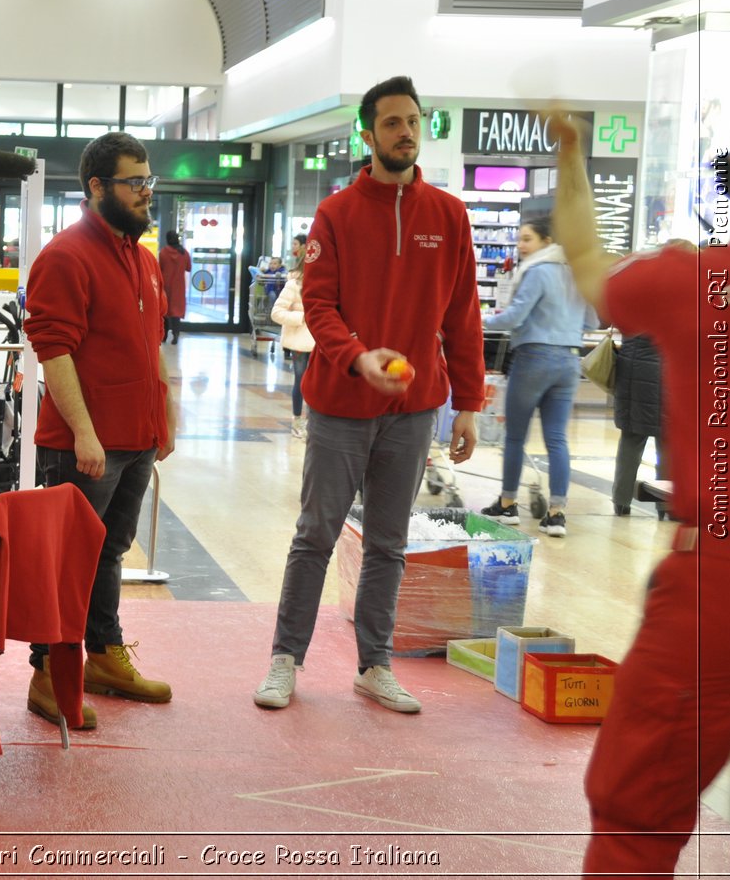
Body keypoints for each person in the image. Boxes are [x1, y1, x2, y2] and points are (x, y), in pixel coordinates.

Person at [252, 76, 483, 715]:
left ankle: (374, 664)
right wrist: (358, 357)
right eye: (392, 123)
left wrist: (468, 402)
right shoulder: (337, 214)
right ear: (368, 132)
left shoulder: (449, 214)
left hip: (415, 410)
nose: (405, 132)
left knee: (388, 541)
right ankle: (284, 659)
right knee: (316, 534)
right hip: (339, 406)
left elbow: (463, 314)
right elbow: (319, 307)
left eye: (413, 121)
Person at [548, 115, 730, 877]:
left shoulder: (700, 278)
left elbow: (587, 260)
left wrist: (569, 154)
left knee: (638, 807)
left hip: (718, 581)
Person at [22, 130, 177, 728]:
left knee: (110, 551)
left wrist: (163, 416)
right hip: (86, 444)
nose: (145, 192)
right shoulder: (65, 256)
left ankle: (103, 655)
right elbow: (53, 351)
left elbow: (150, 346)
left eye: (147, 180)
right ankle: (45, 673)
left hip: (135, 437)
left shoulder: (141, 257)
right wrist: (84, 433)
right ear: (96, 187)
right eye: (133, 181)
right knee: (69, 560)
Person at [478, 215, 588, 536]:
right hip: (569, 361)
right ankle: (556, 514)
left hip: (534, 358)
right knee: (557, 438)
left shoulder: (538, 271)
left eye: (527, 239)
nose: (520, 245)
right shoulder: (577, 273)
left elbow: (515, 317)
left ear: (547, 242)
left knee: (515, 436)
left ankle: (508, 504)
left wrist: (478, 318)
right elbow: (593, 320)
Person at [611, 333, 667, 517]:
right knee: (668, 441)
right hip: (669, 370)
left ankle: (621, 501)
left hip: (632, 369)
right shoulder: (680, 303)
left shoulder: (632, 303)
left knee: (631, 437)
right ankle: (667, 505)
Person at [271, 233, 313, 439]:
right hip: (300, 341)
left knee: (318, 383)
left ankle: (314, 421)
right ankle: (298, 420)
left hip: (322, 342)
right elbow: (276, 312)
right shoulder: (293, 285)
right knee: (301, 380)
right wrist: (303, 317)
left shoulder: (329, 285)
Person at [158, 231, 191, 344]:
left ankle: (164, 335)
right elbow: (189, 268)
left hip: (165, 285)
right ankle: (176, 334)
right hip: (179, 286)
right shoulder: (184, 253)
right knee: (176, 311)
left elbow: (159, 268)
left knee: (165, 310)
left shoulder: (163, 252)